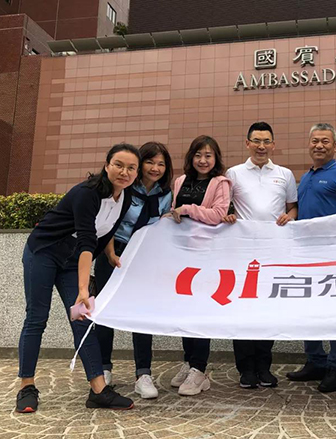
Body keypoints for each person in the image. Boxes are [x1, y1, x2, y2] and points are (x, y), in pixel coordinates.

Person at [16, 143, 140, 413]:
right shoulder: (87, 193)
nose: (124, 172)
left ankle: (99, 391)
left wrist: (110, 253)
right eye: (119, 165)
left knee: (83, 320)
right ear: (107, 165)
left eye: (131, 168)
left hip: (73, 262)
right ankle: (27, 386)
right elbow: (86, 240)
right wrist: (84, 289)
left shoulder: (126, 196)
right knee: (37, 317)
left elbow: (107, 229)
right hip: (44, 252)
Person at [94, 142, 173, 399]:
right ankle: (103, 369)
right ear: (140, 164)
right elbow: (107, 223)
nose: (155, 168)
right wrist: (110, 253)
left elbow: (161, 227)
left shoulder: (165, 194)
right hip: (112, 252)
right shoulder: (125, 187)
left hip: (143, 257)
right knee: (105, 310)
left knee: (142, 313)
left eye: (161, 164)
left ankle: (143, 374)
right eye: (150, 162)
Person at [222, 122, 298, 389]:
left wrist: (290, 217)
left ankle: (264, 367)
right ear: (247, 143)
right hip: (242, 253)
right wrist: (228, 216)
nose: (261, 146)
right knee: (243, 310)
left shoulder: (285, 174)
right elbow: (224, 206)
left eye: (266, 141)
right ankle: (245, 369)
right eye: (256, 140)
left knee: (268, 310)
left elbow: (293, 208)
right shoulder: (234, 173)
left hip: (274, 253)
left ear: (273, 145)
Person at [286, 123, 336, 393]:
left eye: (325, 141)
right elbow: (300, 211)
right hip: (307, 255)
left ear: (335, 146)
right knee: (309, 309)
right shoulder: (305, 177)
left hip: (335, 254)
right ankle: (315, 361)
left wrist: (324, 228)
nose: (319, 145)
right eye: (315, 140)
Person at [168, 135, 231, 396]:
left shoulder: (221, 183)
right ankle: (188, 361)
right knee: (185, 309)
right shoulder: (180, 181)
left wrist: (187, 209)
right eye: (198, 155)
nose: (203, 160)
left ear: (216, 158)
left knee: (201, 310)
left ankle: (199, 369)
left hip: (207, 256)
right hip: (183, 255)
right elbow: (174, 212)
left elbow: (218, 214)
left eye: (208, 155)